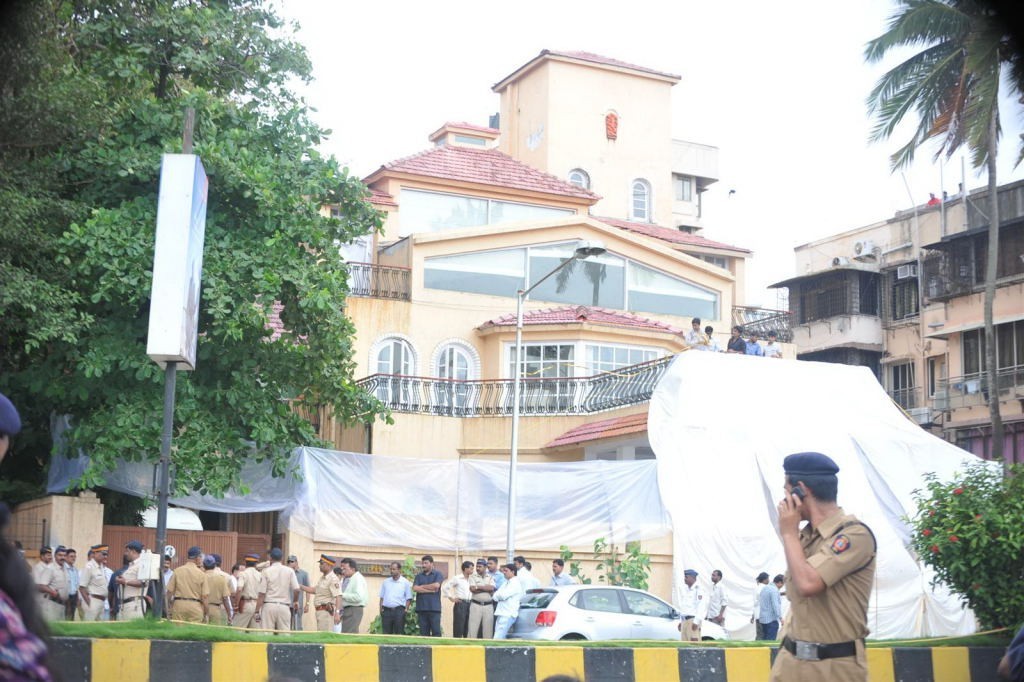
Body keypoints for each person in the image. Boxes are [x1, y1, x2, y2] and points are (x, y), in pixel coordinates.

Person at [771, 451, 876, 682]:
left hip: (834, 669)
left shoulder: (854, 535)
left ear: (801, 490)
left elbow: (808, 583)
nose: (784, 501)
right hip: (790, 664)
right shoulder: (806, 537)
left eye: (786, 492)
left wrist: (788, 533)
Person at [255, 548, 300, 633]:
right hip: (284, 606)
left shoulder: (266, 571)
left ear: (270, 558)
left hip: (269, 606)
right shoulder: (289, 571)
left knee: (266, 635)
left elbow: (261, 594)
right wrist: (295, 601)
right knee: (284, 636)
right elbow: (297, 589)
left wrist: (257, 611)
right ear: (282, 558)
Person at [167, 546, 209, 623]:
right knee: (193, 633)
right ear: (197, 558)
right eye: (201, 557)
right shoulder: (202, 574)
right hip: (195, 607)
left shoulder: (177, 571)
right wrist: (206, 612)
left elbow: (169, 592)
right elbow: (205, 597)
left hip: (179, 606)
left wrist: (168, 608)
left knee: (177, 632)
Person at [300, 555, 342, 632]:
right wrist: (300, 586)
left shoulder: (333, 579)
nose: (320, 566)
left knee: (325, 637)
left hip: (326, 612)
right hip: (320, 612)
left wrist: (337, 613)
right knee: (321, 635)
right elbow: (314, 590)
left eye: (322, 563)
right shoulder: (323, 578)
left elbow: (338, 596)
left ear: (329, 565)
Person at [115, 540, 148, 621]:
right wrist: (121, 580)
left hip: (135, 605)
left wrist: (125, 582)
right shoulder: (132, 565)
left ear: (133, 551)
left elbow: (143, 583)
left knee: (132, 632)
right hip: (125, 605)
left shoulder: (142, 564)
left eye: (127, 551)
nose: (126, 554)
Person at [413, 555, 444, 636]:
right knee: (423, 633)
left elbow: (436, 586)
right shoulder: (419, 576)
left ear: (431, 564)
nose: (423, 565)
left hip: (434, 609)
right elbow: (415, 588)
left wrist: (422, 586)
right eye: (422, 563)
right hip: (422, 609)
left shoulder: (438, 574)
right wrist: (430, 590)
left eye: (426, 563)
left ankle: (437, 649)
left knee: (436, 632)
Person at [378, 561, 412, 635]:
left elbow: (408, 598)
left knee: (399, 633)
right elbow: (382, 597)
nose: (391, 571)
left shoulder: (405, 582)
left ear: (399, 570)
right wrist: (381, 609)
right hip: (386, 611)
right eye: (391, 569)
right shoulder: (386, 582)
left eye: (393, 569)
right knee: (386, 634)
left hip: (399, 611)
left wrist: (405, 610)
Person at [78, 544, 110, 621]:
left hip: (102, 602)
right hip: (93, 600)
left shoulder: (101, 566)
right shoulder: (89, 567)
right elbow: (82, 588)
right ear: (95, 553)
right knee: (89, 628)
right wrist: (90, 603)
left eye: (106, 554)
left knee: (99, 629)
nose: (105, 556)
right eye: (103, 554)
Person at [33, 547, 64, 622]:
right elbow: (38, 586)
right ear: (42, 556)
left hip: (54, 600)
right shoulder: (38, 568)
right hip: (43, 599)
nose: (50, 557)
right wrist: (52, 591)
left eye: (50, 555)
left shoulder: (53, 567)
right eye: (48, 555)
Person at [492, 563, 523, 639]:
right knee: (499, 637)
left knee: (497, 638)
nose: (504, 572)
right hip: (501, 613)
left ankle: (496, 651)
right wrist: (500, 596)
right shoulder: (506, 582)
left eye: (506, 571)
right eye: (503, 571)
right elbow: (494, 596)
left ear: (513, 572)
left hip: (508, 614)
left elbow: (503, 596)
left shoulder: (515, 583)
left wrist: (500, 596)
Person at [444, 561, 473, 638]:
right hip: (461, 603)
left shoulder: (472, 579)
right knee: (459, 626)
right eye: (471, 568)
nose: (472, 570)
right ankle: (457, 645)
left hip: (471, 604)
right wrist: (451, 598)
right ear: (465, 569)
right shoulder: (457, 578)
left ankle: (467, 645)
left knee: (468, 626)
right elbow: (445, 587)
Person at [339, 558, 368, 633]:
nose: (343, 571)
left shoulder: (357, 578)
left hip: (353, 609)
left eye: (345, 569)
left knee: (348, 635)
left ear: (352, 569)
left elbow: (358, 597)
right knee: (348, 633)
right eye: (342, 569)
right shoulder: (352, 578)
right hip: (350, 609)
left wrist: (342, 595)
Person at [234, 554, 264, 629]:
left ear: (245, 562)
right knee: (255, 633)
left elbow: (239, 589)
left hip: (245, 605)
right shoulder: (260, 575)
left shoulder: (243, 574)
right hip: (257, 606)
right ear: (256, 563)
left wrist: (236, 605)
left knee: (238, 631)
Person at [468, 558, 495, 639]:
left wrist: (478, 587)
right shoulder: (472, 576)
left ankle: (487, 648)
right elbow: (472, 589)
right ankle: (470, 647)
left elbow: (491, 588)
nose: (477, 568)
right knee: (472, 629)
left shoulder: (490, 577)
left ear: (485, 567)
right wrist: (485, 588)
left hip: (488, 606)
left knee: (488, 629)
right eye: (477, 566)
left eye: (480, 566)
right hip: (476, 605)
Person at [203, 555, 232, 625]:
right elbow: (225, 598)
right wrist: (229, 614)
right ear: (214, 565)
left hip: (202, 608)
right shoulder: (221, 578)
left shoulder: (200, 577)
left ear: (204, 566)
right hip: (216, 610)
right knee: (214, 633)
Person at [678, 568, 703, 641]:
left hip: (692, 621)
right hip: (684, 621)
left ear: (692, 577)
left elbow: (701, 606)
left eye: (686, 577)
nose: (684, 579)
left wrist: (696, 622)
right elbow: (685, 607)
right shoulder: (686, 589)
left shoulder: (698, 589)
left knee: (694, 646)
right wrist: (681, 621)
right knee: (684, 646)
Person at [758, 572, 783, 641]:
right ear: (780, 582)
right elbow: (776, 605)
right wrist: (780, 618)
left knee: (764, 643)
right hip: (771, 620)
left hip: (763, 619)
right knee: (771, 644)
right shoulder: (774, 590)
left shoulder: (765, 588)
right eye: (782, 584)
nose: (782, 586)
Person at [287, 555, 310, 630]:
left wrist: (307, 604)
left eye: (292, 561)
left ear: (296, 562)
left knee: (298, 626)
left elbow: (308, 590)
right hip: (287, 604)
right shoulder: (286, 573)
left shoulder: (304, 574)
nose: (290, 563)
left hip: (298, 604)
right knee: (287, 626)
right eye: (288, 562)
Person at [751, 572, 769, 640]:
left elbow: (754, 603)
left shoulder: (756, 588)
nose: (768, 580)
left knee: (759, 633)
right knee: (763, 635)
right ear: (764, 580)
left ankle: (757, 649)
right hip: (764, 614)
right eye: (768, 579)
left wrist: (753, 615)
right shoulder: (765, 588)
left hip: (757, 614)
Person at [64, 548, 80, 620]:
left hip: (74, 596)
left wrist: (77, 598)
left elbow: (76, 585)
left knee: (71, 617)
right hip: (66, 596)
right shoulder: (63, 568)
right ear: (66, 557)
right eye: (71, 556)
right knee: (65, 616)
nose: (73, 558)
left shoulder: (75, 569)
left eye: (74, 556)